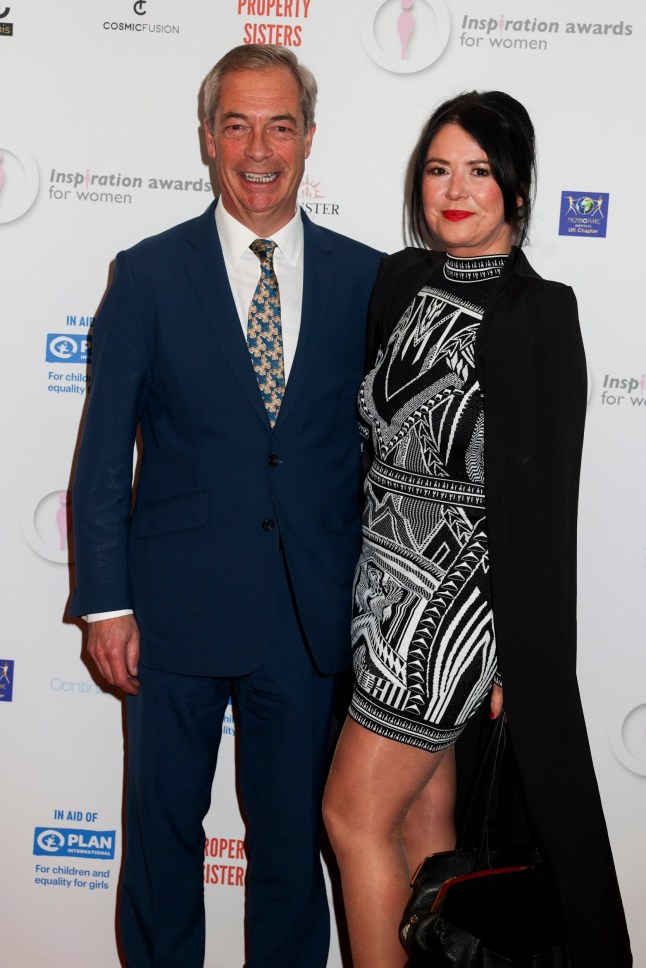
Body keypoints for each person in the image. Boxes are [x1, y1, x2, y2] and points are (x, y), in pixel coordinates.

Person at [70, 44, 381, 968]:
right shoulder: (149, 274)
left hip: (310, 615)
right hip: (167, 614)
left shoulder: (369, 282)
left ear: (309, 138)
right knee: (163, 843)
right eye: (236, 124)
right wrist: (106, 601)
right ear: (207, 138)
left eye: (279, 124)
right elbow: (100, 452)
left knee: (294, 847)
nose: (258, 147)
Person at [323, 91, 632, 968]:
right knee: (426, 831)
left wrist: (522, 663)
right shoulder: (401, 282)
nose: (455, 190)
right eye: (437, 169)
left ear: (519, 190)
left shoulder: (538, 316)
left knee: (351, 818)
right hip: (377, 594)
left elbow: (544, 512)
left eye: (480, 172)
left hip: (453, 614)